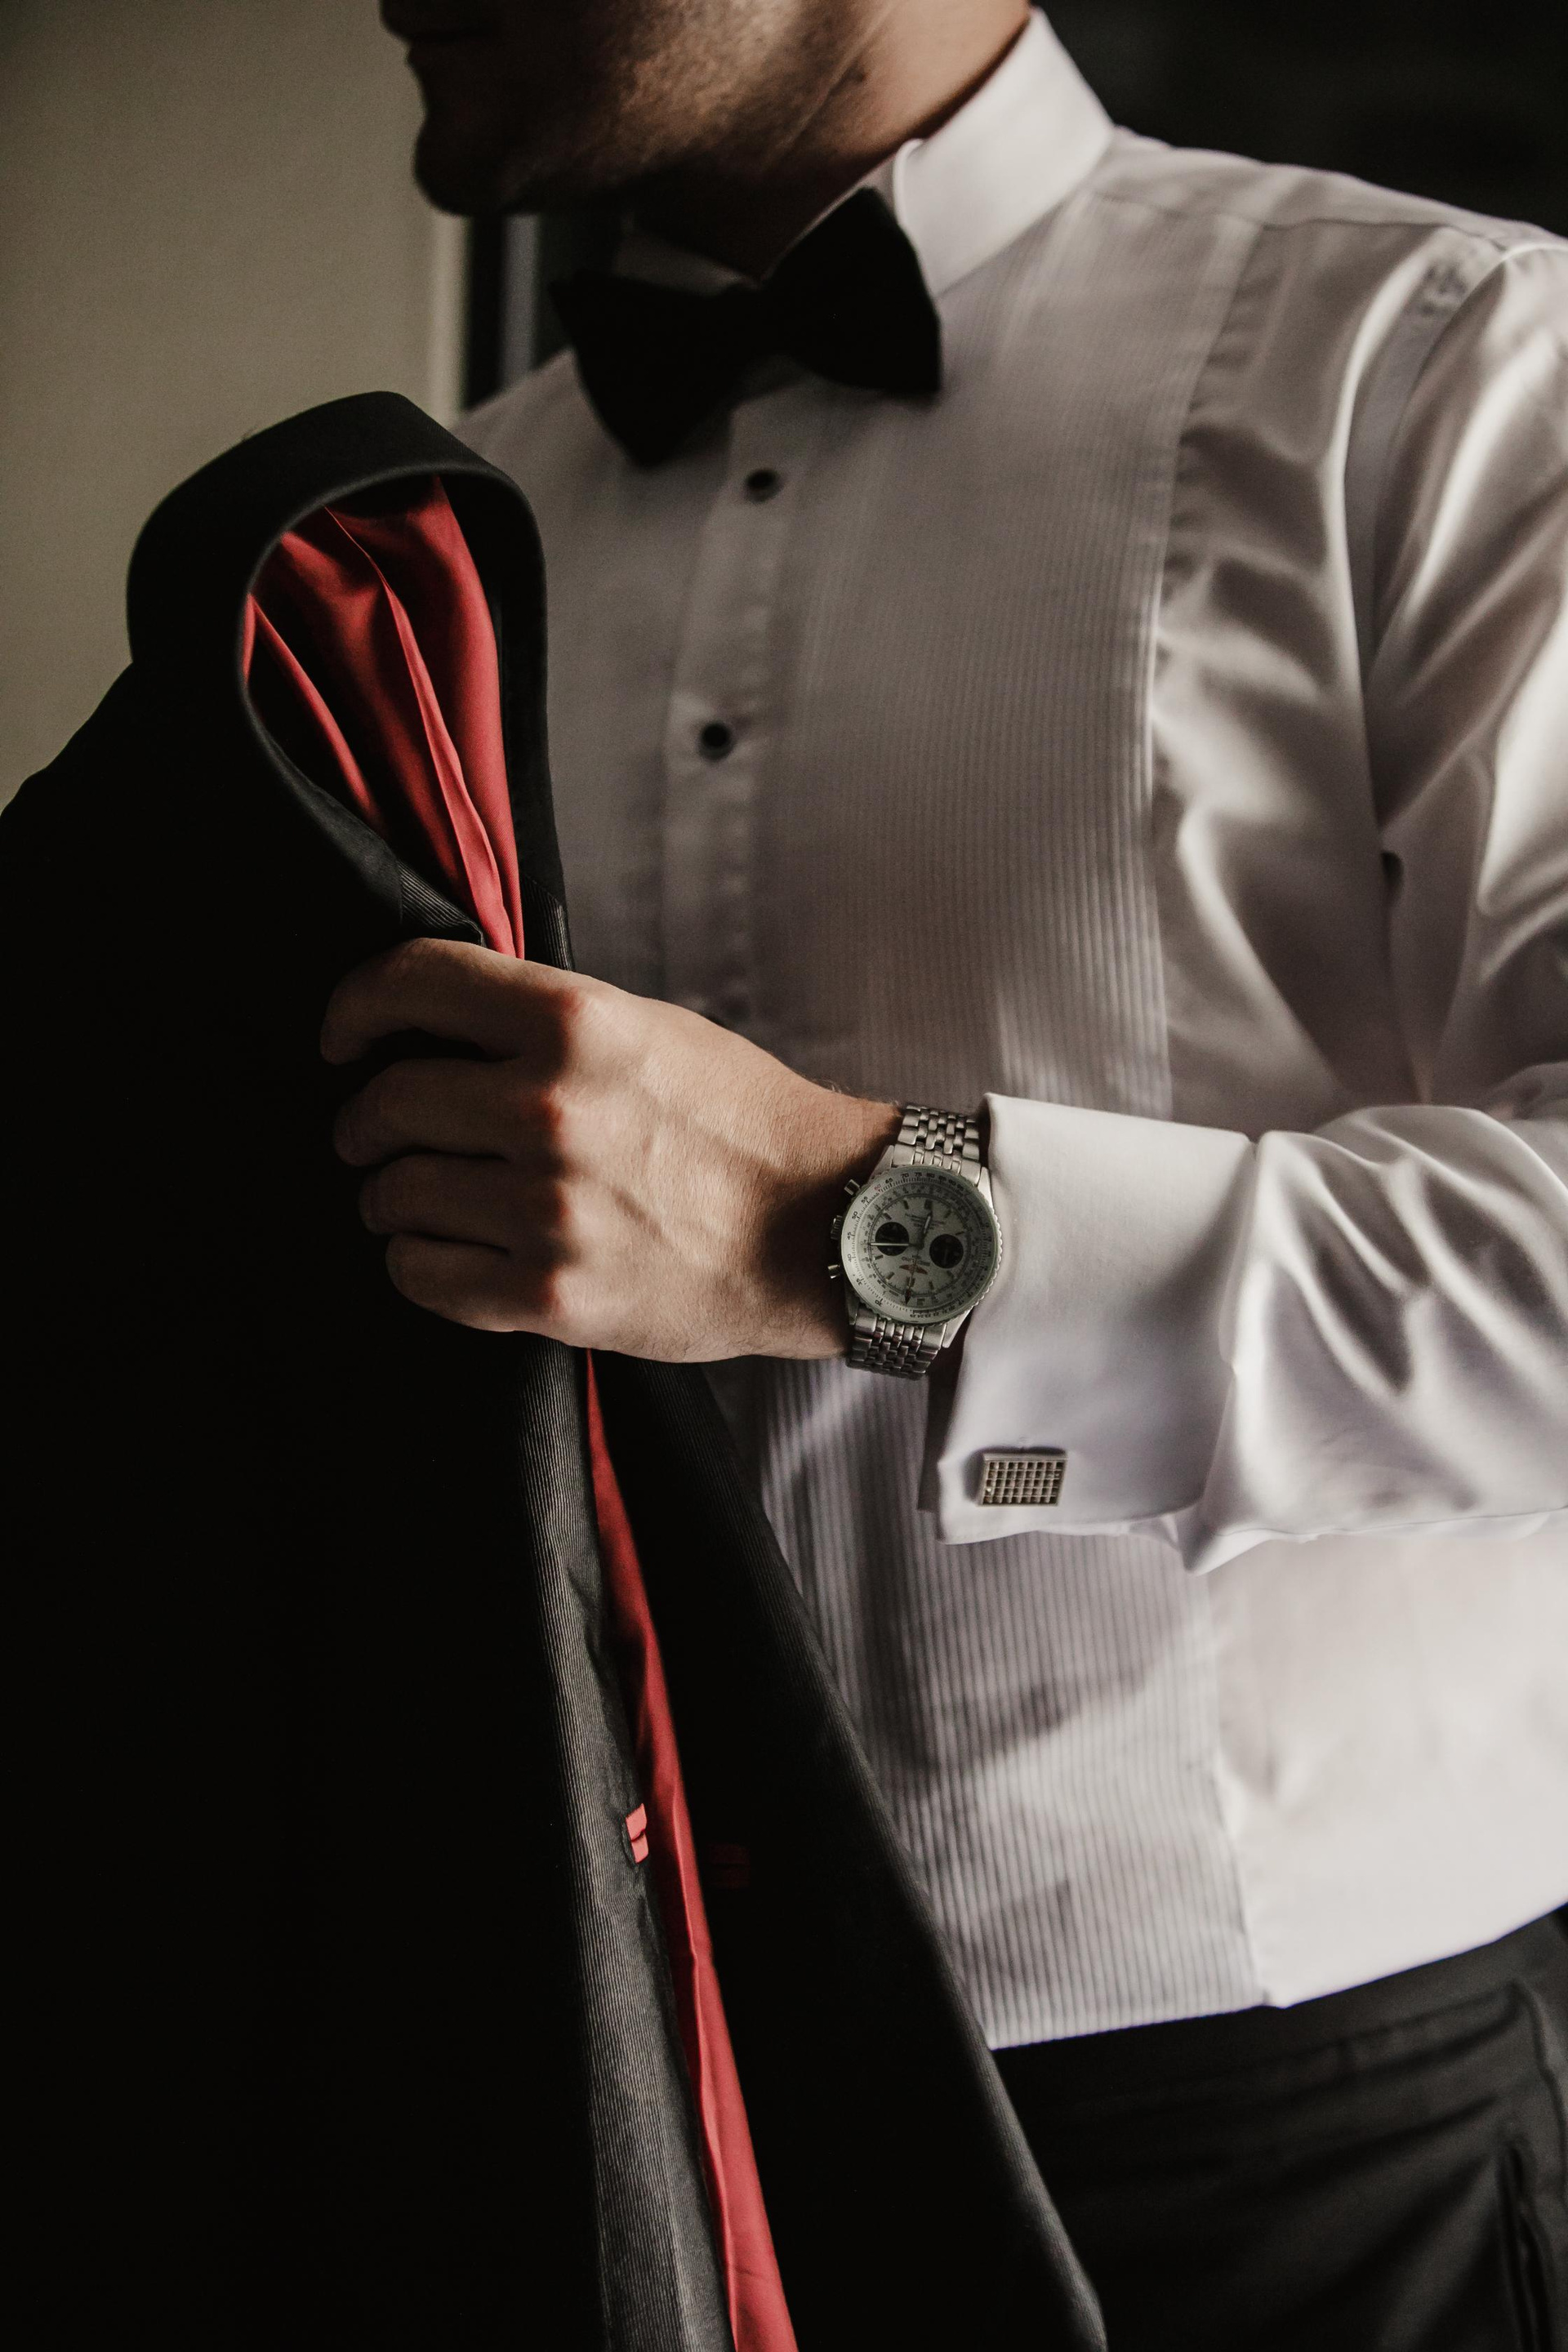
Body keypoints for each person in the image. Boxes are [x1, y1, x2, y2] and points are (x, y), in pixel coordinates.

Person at [352, 3, 1568, 2341]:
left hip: (1309, 2164)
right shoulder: (429, 551)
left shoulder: (1445, 363)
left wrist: (849, 1225)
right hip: (623, 2118)